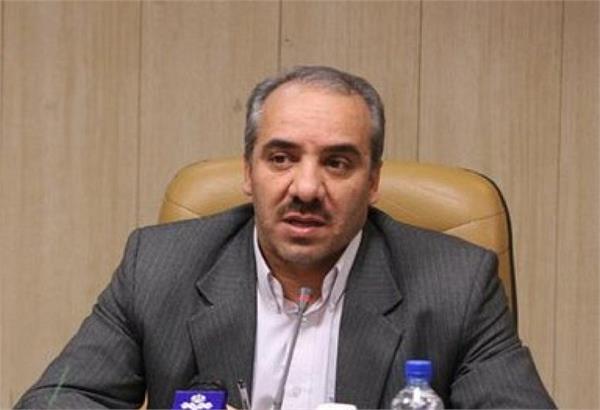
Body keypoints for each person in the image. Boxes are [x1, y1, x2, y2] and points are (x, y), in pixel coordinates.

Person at [15, 66, 555, 409]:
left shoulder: (456, 284)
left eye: (337, 162)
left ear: (373, 182)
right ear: (248, 173)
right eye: (281, 158)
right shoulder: (158, 267)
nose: (307, 187)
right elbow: (57, 400)